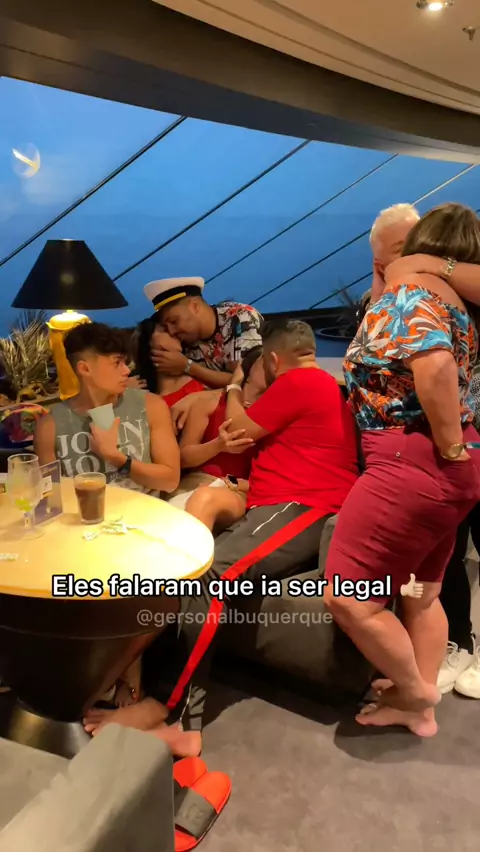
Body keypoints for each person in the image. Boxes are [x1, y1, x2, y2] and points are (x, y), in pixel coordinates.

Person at [83, 318, 360, 752]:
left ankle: (173, 715)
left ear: (272, 359)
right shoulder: (317, 386)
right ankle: (144, 693)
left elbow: (238, 430)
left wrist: (231, 387)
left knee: (207, 580)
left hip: (300, 506)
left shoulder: (300, 381)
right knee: (189, 576)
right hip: (280, 507)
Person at [323, 202, 480, 738]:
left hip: (407, 458)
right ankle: (420, 711)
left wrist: (448, 445)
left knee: (347, 596)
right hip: (450, 467)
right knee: (421, 593)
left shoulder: (411, 294)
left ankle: (415, 692)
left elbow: (433, 366)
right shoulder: (456, 305)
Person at [369, 202, 480, 696]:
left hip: (459, 439)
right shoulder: (407, 295)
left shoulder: (447, 280)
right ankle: (459, 641)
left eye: (406, 250)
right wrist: (386, 275)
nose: (402, 262)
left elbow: (435, 366)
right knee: (445, 553)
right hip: (441, 443)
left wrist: (430, 265)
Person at [34, 322, 180, 496]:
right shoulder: (50, 427)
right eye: (117, 363)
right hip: (85, 511)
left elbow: (170, 481)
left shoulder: (150, 406)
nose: (126, 371)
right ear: (85, 368)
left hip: (144, 510)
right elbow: (52, 497)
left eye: (125, 362)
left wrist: (117, 458)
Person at [168, 346, 265, 530]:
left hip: (238, 491)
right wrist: (218, 445)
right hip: (194, 482)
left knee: (205, 498)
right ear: (249, 368)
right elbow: (183, 458)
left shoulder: (276, 412)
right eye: (265, 362)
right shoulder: (210, 403)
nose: (273, 368)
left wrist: (238, 484)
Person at [142, 277, 263, 423]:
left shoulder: (240, 318)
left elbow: (248, 381)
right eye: (166, 328)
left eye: (174, 321)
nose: (172, 332)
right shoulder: (186, 340)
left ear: (195, 306)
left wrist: (188, 367)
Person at [134, 318, 206, 406]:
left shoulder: (201, 374)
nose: (174, 332)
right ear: (148, 341)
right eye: (165, 329)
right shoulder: (148, 403)